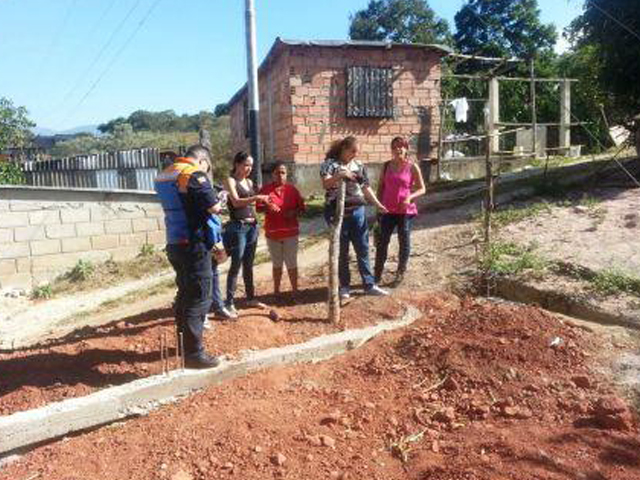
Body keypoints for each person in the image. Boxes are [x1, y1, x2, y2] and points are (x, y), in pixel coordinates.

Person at [154, 145, 221, 369]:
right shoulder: (192, 173)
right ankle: (194, 354)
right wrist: (219, 198)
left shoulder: (165, 173)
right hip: (193, 242)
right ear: (202, 160)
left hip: (174, 240)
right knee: (199, 296)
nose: (207, 171)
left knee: (185, 293)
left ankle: (186, 345)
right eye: (207, 166)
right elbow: (213, 206)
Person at [320, 136, 389, 299]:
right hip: (337, 212)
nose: (354, 155)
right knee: (342, 250)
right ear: (343, 148)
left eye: (356, 152)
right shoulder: (329, 164)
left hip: (358, 211)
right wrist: (340, 175)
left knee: (362, 248)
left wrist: (377, 204)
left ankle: (369, 284)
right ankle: (344, 286)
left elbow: (365, 187)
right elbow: (326, 184)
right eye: (352, 151)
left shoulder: (358, 166)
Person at [374, 136, 426, 286]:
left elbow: (422, 188)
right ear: (391, 149)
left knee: (404, 242)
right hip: (387, 210)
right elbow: (380, 188)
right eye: (395, 146)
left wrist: (410, 197)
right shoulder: (385, 166)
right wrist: (378, 206)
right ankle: (376, 275)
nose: (398, 149)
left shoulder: (412, 167)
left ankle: (400, 273)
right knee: (382, 242)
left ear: (406, 149)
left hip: (405, 211)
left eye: (401, 146)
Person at [223, 151, 270, 315]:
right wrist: (256, 198)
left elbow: (253, 204)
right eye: (246, 165)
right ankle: (229, 302)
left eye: (251, 165)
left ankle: (250, 298)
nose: (249, 168)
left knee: (248, 265)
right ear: (237, 164)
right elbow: (236, 203)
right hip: (238, 228)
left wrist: (267, 203)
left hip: (252, 227)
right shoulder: (230, 181)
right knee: (236, 265)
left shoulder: (249, 182)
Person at [257, 162, 305, 294]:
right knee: (277, 264)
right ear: (272, 175)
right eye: (277, 173)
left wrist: (293, 213)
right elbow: (258, 208)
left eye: (283, 172)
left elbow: (302, 209)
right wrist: (267, 206)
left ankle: (295, 290)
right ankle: (276, 291)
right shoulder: (265, 191)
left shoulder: (292, 190)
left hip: (290, 233)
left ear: (287, 175)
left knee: (291, 263)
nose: (280, 175)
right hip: (272, 234)